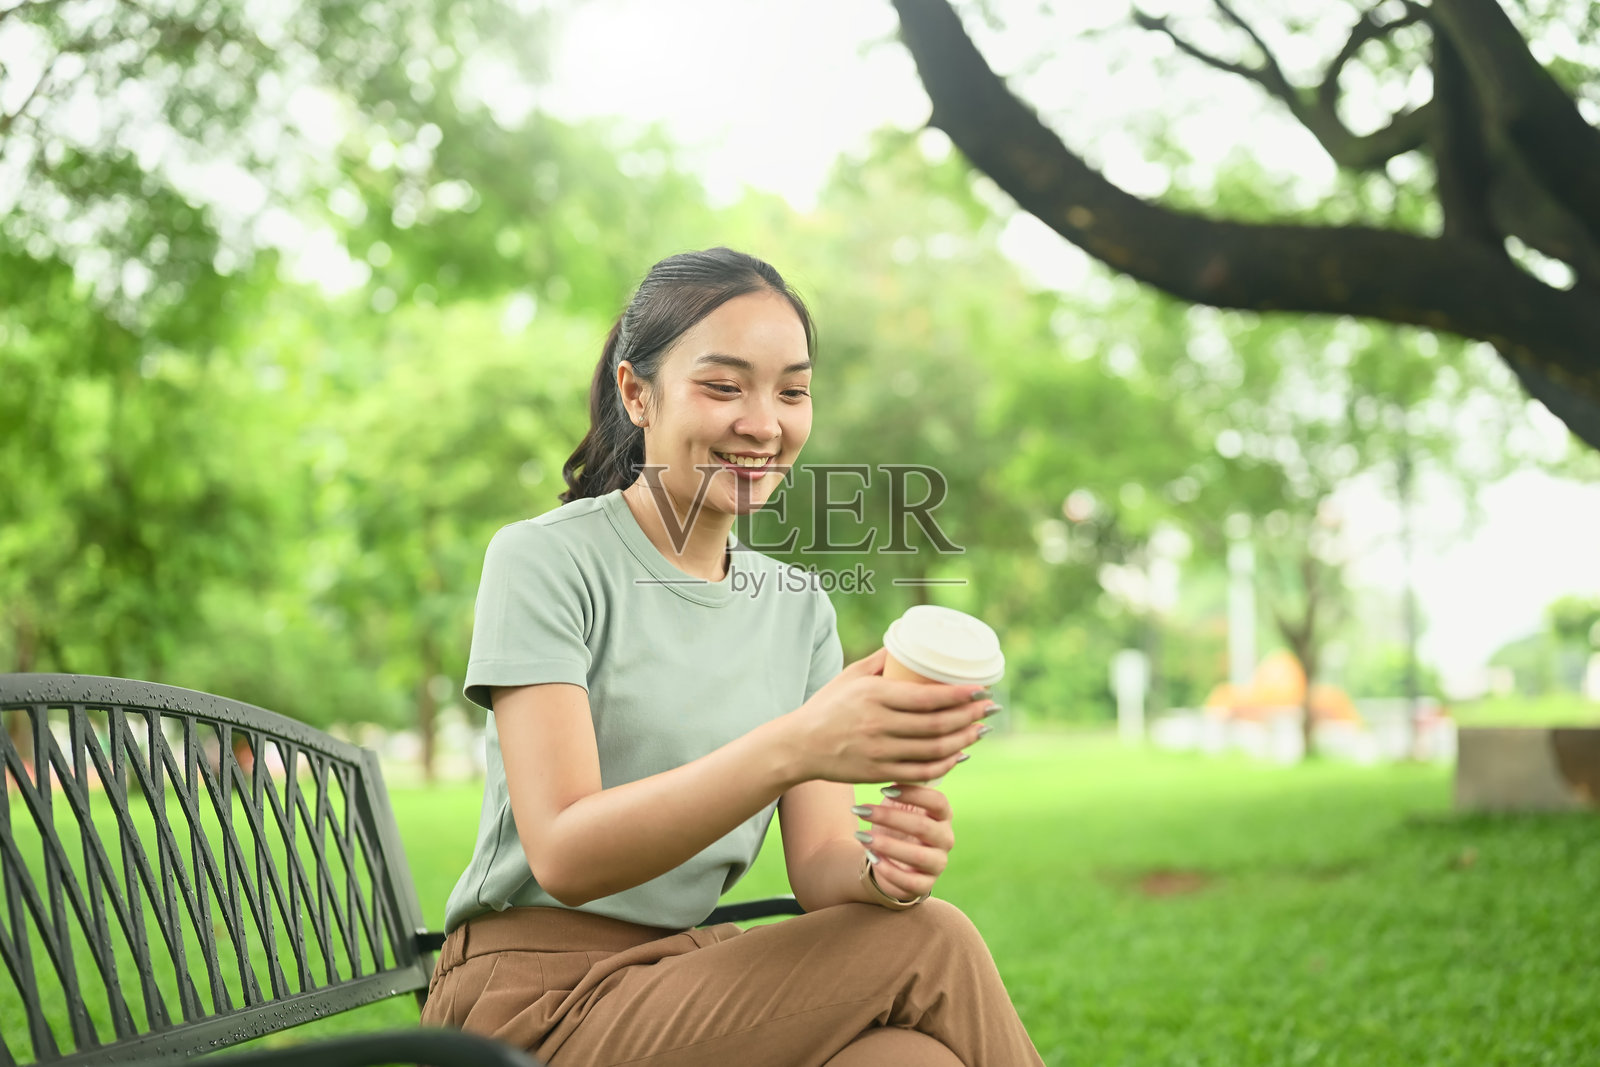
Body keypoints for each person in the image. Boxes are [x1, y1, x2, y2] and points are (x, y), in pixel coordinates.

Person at [421, 247, 1045, 1066]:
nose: (764, 422)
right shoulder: (546, 561)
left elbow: (822, 865)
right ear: (636, 392)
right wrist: (797, 742)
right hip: (533, 1005)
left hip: (686, 981)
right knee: (934, 941)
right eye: (724, 386)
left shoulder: (799, 611)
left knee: (905, 1059)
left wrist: (886, 872)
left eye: (792, 390)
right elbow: (565, 853)